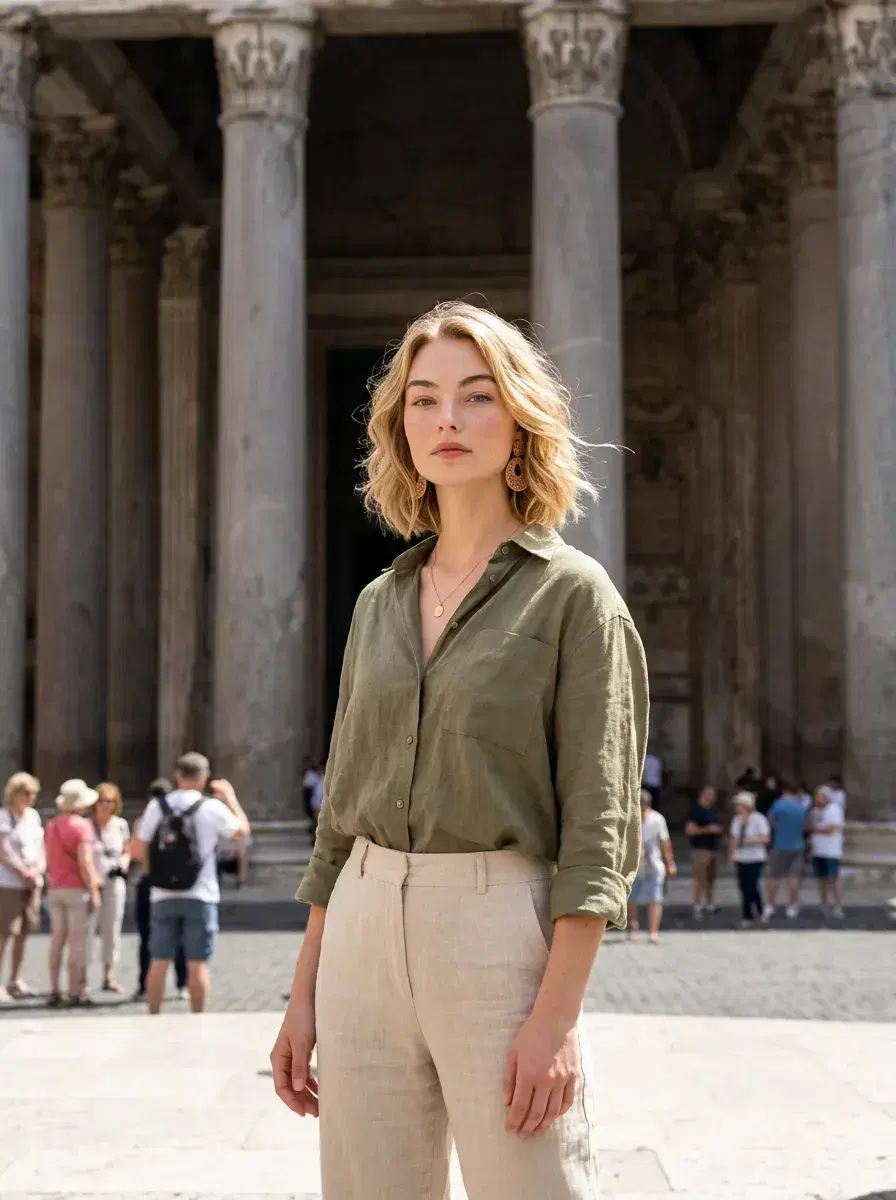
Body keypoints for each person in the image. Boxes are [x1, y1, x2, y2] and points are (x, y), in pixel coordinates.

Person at [271, 302, 647, 1199]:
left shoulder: (575, 598)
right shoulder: (379, 602)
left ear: (518, 420)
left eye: (476, 397)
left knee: (534, 1185)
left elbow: (599, 831)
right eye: (423, 399)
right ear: (399, 426)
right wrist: (304, 991)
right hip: (360, 923)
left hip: (497, 929)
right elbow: (341, 817)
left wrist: (555, 1021)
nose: (447, 419)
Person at [131, 752, 250, 1014]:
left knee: (158, 960)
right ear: (204, 778)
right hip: (201, 892)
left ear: (177, 775)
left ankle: (153, 1016)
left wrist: (156, 873)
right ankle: (197, 1018)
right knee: (197, 962)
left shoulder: (157, 806)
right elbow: (242, 831)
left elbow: (137, 848)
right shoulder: (210, 807)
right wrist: (230, 798)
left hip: (162, 894)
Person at [44, 779, 101, 1006]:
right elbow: (85, 862)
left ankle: (55, 988)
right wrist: (94, 890)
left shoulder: (52, 825)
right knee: (77, 941)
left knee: (57, 939)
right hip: (76, 888)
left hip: (56, 887)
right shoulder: (82, 826)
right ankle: (76, 990)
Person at [131, 778, 187, 1002]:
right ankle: (182, 984)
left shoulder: (143, 821)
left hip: (149, 882)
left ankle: (145, 984)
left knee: (147, 937)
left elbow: (136, 852)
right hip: (178, 882)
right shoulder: (180, 820)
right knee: (181, 936)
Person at [0, 773, 44, 1002]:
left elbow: (40, 848)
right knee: (4, 934)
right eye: (26, 794)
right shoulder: (3, 818)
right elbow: (3, 851)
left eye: (33, 794)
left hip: (32, 883)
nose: (30, 798)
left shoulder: (33, 818)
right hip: (9, 883)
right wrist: (22, 872)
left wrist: (37, 871)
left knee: (24, 933)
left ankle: (15, 979)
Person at [90, 782, 131, 993]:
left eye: (110, 801)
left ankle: (109, 975)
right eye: (101, 801)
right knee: (88, 929)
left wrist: (124, 862)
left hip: (115, 881)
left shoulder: (121, 825)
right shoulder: (87, 826)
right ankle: (83, 977)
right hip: (91, 883)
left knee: (112, 928)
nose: (105, 805)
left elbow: (127, 849)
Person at [628, 789, 676, 944]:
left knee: (655, 899)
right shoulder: (630, 817)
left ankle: (653, 931)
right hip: (633, 864)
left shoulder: (657, 819)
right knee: (630, 898)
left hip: (653, 863)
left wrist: (670, 863)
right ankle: (632, 927)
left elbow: (665, 842)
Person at [763, 782, 809, 920]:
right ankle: (792, 906)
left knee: (773, 877)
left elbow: (769, 819)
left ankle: (770, 905)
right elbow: (805, 825)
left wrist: (778, 826)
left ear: (785, 792)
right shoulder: (801, 807)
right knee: (793, 878)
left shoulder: (779, 804)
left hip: (780, 845)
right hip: (797, 846)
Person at [728, 791, 771, 928]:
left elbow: (766, 838)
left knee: (752, 885)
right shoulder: (736, 820)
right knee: (743, 886)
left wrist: (749, 840)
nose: (737, 808)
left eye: (739, 805)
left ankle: (760, 910)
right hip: (741, 857)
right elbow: (733, 838)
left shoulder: (759, 819)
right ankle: (747, 915)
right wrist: (732, 855)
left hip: (755, 857)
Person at [685, 785, 722, 918]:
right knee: (699, 878)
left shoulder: (712, 810)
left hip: (713, 848)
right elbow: (690, 830)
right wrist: (708, 829)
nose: (713, 798)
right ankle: (697, 905)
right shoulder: (695, 810)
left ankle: (710, 903)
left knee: (711, 878)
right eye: (710, 795)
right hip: (700, 848)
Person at [808, 785, 845, 918]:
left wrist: (817, 830)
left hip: (831, 850)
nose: (817, 799)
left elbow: (832, 829)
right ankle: (824, 903)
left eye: (819, 796)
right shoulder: (815, 811)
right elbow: (810, 826)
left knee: (833, 878)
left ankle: (839, 905)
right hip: (818, 850)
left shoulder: (834, 810)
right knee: (821, 878)